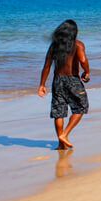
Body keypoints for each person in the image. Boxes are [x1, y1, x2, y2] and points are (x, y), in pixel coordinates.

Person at [37, 19, 89, 150]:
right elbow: (83, 60)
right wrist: (87, 72)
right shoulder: (78, 45)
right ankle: (64, 135)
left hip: (57, 81)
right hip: (73, 80)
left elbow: (47, 66)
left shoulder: (54, 46)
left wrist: (42, 84)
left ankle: (61, 144)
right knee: (81, 107)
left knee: (59, 112)